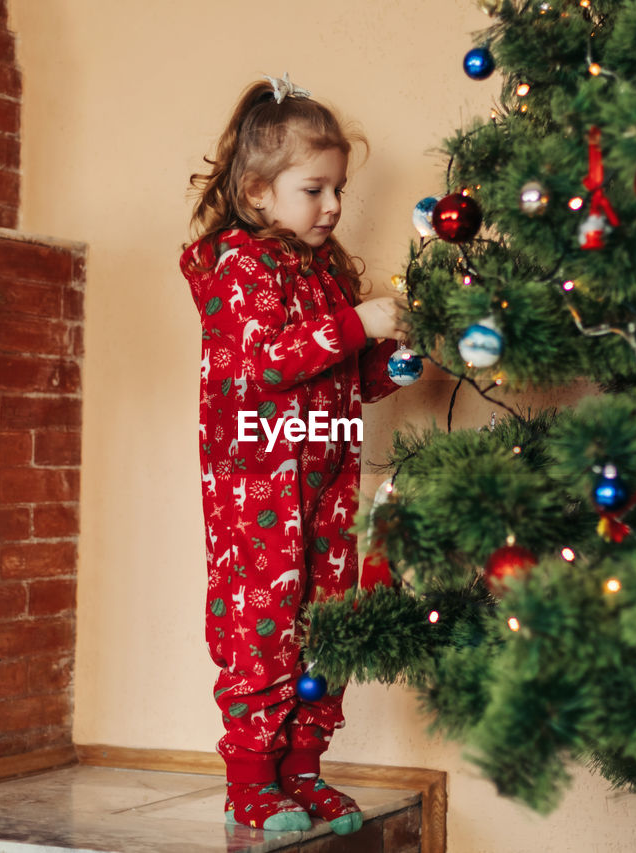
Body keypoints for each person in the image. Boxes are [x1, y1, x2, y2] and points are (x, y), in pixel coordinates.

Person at [180, 74, 408, 836]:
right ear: (258, 192)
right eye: (316, 189)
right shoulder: (238, 271)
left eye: (338, 188)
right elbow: (265, 365)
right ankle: (251, 780)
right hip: (258, 491)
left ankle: (304, 769)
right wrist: (356, 325)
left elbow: (345, 377)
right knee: (263, 627)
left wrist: (394, 358)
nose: (334, 205)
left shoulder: (325, 271)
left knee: (327, 625)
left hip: (330, 480)